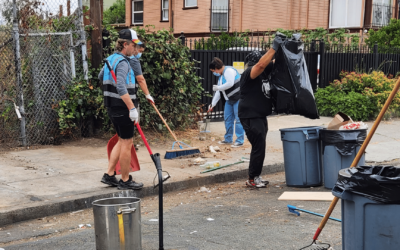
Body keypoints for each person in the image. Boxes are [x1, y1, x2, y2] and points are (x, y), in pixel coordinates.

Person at [99, 29, 154, 190]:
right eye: (133, 45)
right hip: (122, 108)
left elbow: (101, 77)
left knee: (121, 139)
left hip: (112, 106)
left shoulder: (111, 59)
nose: (136, 49)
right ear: (125, 44)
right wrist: (132, 108)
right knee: (127, 143)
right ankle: (125, 179)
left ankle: (109, 175)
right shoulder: (123, 62)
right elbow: (121, 85)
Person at [239, 35, 284, 188]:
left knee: (260, 146)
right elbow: (260, 66)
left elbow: (274, 62)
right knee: (259, 147)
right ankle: (252, 179)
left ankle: (255, 176)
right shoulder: (248, 74)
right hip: (250, 116)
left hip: (259, 115)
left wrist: (285, 49)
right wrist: (274, 47)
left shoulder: (263, 72)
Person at [208, 57, 245, 147]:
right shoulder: (221, 77)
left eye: (214, 70)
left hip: (238, 98)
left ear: (217, 68)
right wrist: (212, 104)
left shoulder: (228, 71)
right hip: (229, 100)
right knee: (228, 120)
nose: (214, 73)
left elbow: (230, 83)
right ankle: (228, 139)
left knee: (238, 120)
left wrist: (218, 87)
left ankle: (239, 141)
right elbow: (218, 92)